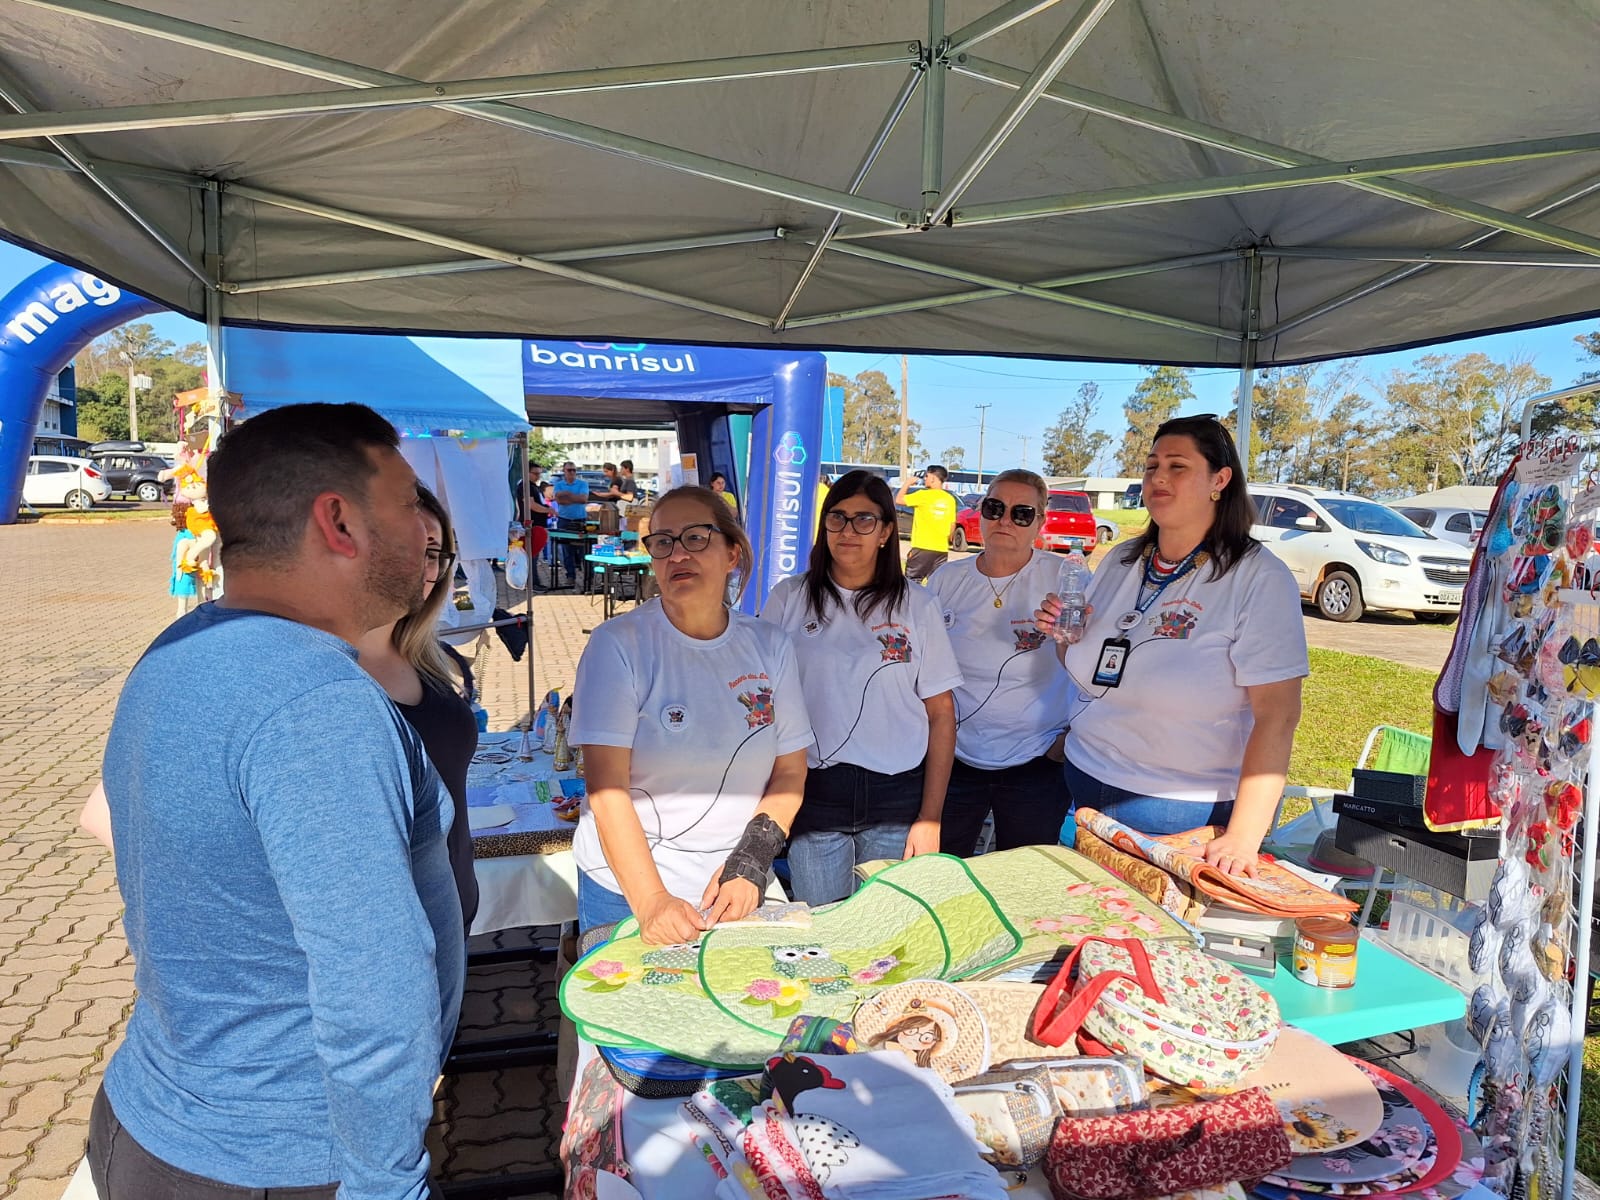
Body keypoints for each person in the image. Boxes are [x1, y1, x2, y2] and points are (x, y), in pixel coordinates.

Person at [91, 402, 462, 1200]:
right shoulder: (319, 705)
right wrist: (386, 1185)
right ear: (339, 521)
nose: (422, 531)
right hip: (281, 1161)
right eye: (405, 503)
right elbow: (374, 989)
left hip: (158, 1119)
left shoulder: (181, 649)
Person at [1037, 415, 1307, 876]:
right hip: (1080, 792)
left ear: (1219, 480)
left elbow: (1278, 714)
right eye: (1151, 465)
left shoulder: (1258, 577)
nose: (1158, 477)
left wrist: (1242, 838)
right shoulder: (1123, 560)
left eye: (1178, 466)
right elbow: (1091, 666)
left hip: (1180, 815)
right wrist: (1065, 637)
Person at [569, 485, 811, 944]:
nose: (677, 554)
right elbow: (606, 791)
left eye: (696, 537)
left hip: (733, 884)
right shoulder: (618, 645)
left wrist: (750, 863)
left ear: (732, 553)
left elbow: (790, 772)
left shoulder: (770, 645)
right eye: (662, 542)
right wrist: (652, 901)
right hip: (628, 887)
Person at [761, 471, 962, 904]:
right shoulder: (788, 598)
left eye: (864, 520)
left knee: (886, 935)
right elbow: (762, 704)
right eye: (838, 518)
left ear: (887, 531)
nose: (848, 531)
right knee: (824, 932)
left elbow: (942, 714)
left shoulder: (918, 604)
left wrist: (931, 817)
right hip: (815, 796)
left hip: (898, 798)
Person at [356, 484, 480, 934]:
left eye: (434, 552)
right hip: (379, 936)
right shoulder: (322, 668)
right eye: (406, 546)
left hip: (452, 909)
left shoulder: (428, 656)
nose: (422, 567)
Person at [928, 468, 1073, 855]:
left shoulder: (1065, 577)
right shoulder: (945, 578)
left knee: (1023, 884)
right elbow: (925, 668)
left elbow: (1089, 661)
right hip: (954, 758)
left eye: (1021, 513)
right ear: (980, 512)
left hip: (1037, 759)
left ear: (1040, 522)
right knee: (945, 875)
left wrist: (1065, 742)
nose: (1005, 520)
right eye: (995, 508)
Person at [896, 464, 958, 582]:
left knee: (912, 584)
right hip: (941, 549)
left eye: (926, 476)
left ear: (933, 478)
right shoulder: (949, 499)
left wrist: (907, 483)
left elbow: (899, 500)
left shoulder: (923, 495)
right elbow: (952, 525)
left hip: (922, 547)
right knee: (936, 585)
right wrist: (947, 541)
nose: (925, 478)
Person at [552, 460, 591, 588]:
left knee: (584, 550)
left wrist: (567, 495)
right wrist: (574, 497)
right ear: (564, 471)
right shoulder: (558, 484)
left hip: (580, 520)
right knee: (566, 550)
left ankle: (588, 578)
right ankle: (570, 576)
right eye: (569, 470)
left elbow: (583, 499)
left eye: (574, 470)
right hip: (564, 520)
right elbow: (559, 500)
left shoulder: (582, 483)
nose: (572, 472)